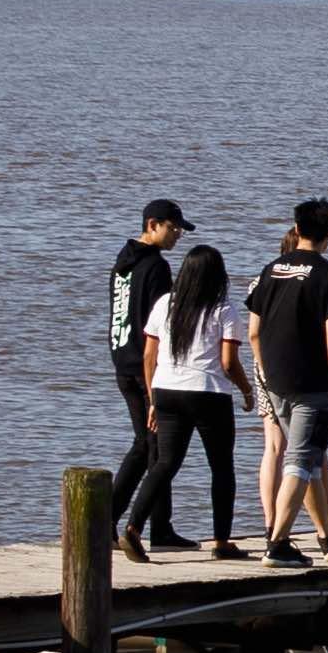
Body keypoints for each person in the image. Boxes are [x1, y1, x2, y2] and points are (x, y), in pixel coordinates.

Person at [247, 200, 328, 563]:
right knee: (299, 459)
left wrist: (264, 372)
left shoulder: (272, 269)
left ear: (296, 227)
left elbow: (253, 332)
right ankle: (277, 543)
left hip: (274, 380)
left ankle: (327, 537)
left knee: (307, 458)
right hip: (312, 383)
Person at [122, 242, 238, 559]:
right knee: (222, 467)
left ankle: (133, 528)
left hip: (167, 392)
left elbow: (149, 356)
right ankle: (221, 542)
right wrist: (246, 389)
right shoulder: (223, 308)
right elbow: (228, 363)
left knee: (165, 463)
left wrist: (152, 399)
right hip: (210, 394)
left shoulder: (164, 304)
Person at [99, 197, 186, 487]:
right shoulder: (156, 267)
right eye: (173, 228)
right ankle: (155, 528)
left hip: (123, 363)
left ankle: (111, 519)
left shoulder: (122, 263)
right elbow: (162, 322)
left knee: (145, 444)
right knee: (159, 451)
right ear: (152, 225)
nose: (178, 235)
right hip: (146, 366)